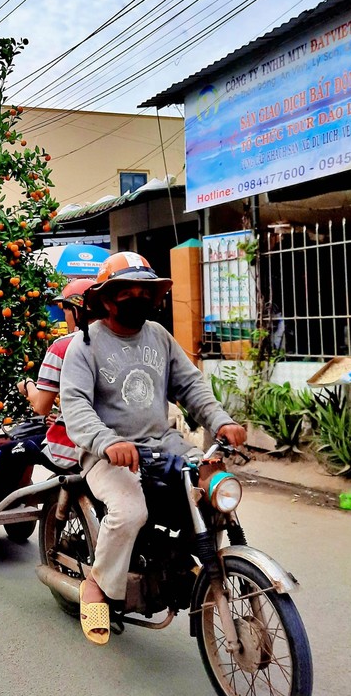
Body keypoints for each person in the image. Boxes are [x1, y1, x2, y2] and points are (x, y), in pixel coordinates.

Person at [59, 252, 246, 646]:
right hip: (108, 455)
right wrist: (109, 442)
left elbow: (192, 386)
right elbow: (74, 406)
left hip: (165, 445)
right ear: (107, 300)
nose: (137, 297)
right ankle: (97, 583)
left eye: (143, 290)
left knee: (213, 492)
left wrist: (221, 421)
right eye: (126, 291)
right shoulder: (84, 346)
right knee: (130, 512)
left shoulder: (159, 336)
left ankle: (189, 564)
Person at [0, 278, 96, 521]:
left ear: (76, 310)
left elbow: (40, 406)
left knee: (6, 454)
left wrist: (28, 386)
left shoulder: (63, 346)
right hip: (110, 442)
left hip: (73, 448)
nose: (64, 316)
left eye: (65, 309)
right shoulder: (117, 344)